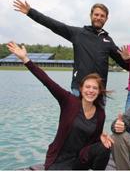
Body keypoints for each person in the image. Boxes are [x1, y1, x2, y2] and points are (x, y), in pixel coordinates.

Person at [6, 42, 111, 170]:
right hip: (60, 159)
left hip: (81, 159)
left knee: (105, 147)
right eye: (87, 87)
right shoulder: (69, 101)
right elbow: (47, 81)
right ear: (81, 88)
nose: (91, 90)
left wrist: (101, 139)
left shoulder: (100, 113)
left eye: (95, 88)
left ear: (99, 92)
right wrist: (25, 59)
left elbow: (94, 141)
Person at [12, 0, 129, 94]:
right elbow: (54, 25)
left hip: (99, 91)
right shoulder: (78, 33)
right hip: (79, 88)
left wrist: (127, 59)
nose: (98, 18)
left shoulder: (108, 40)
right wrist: (30, 12)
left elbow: (125, 64)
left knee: (97, 124)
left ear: (106, 19)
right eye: (96, 14)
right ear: (91, 15)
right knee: (75, 123)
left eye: (102, 16)